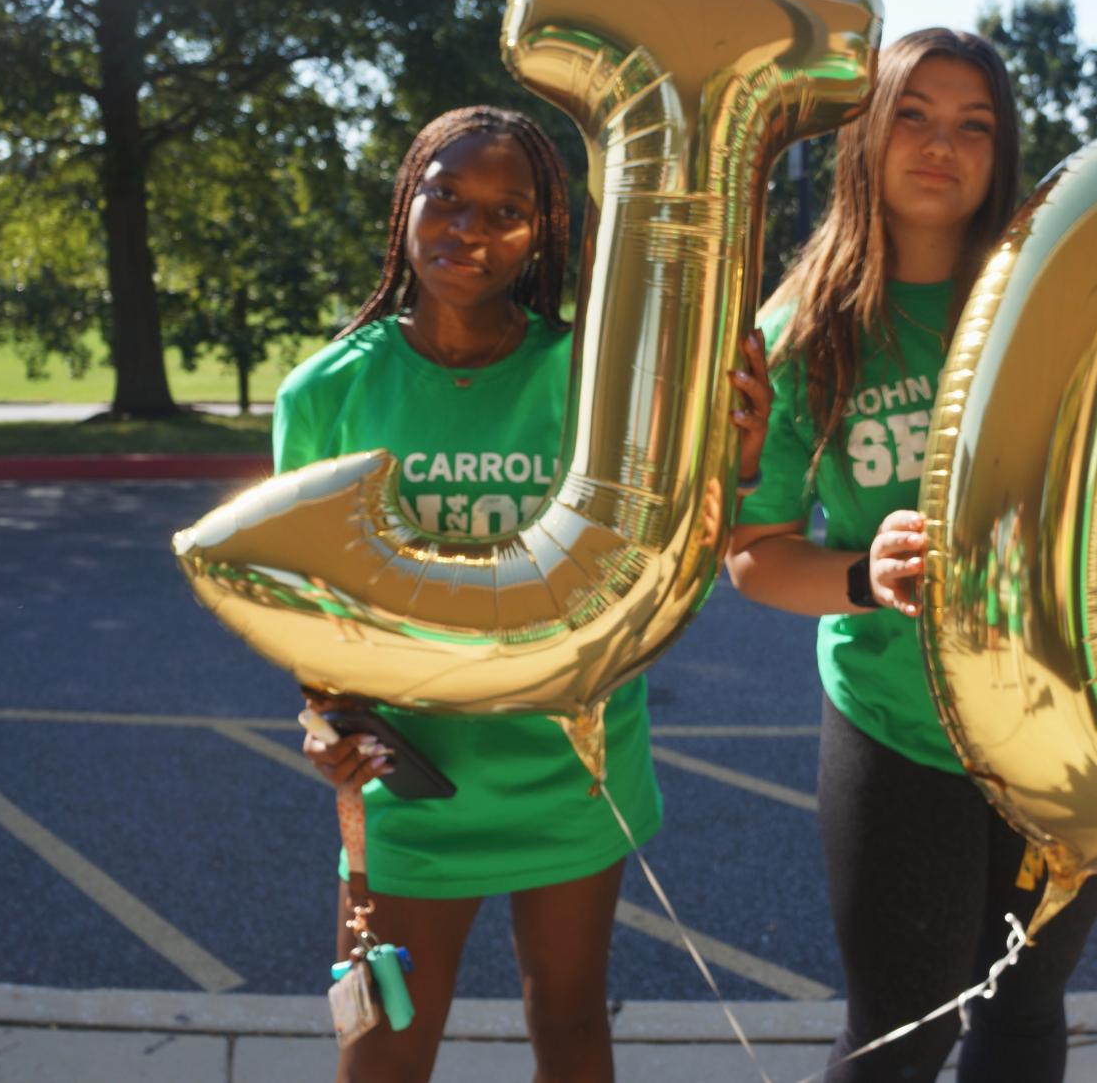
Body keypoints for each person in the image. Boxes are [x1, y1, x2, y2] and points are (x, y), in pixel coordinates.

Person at [274, 104, 772, 1083]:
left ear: (545, 233)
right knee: (382, 1044)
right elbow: (305, 600)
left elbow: (655, 567)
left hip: (570, 766)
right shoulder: (323, 392)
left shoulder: (594, 378)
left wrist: (731, 467)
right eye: (447, 196)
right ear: (405, 201)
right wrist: (328, 714)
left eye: (508, 210)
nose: (470, 228)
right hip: (412, 778)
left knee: (573, 1022)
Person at [725, 29, 1097, 1081]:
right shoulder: (802, 333)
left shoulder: (1051, 297)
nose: (941, 146)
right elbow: (754, 556)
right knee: (901, 1032)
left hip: (1076, 711)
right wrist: (863, 578)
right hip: (900, 724)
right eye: (914, 115)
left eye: (975, 125)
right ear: (866, 136)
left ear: (1001, 154)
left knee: (1023, 1016)